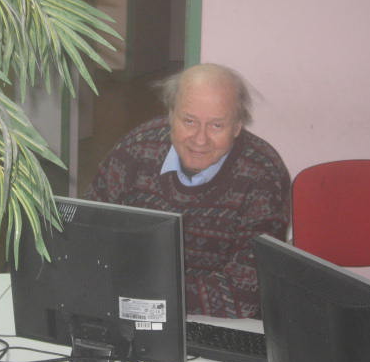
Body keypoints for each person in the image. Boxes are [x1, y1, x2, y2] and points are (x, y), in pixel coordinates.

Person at [85, 63, 290, 318]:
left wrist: (150, 293)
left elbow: (246, 292)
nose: (200, 139)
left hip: (221, 319)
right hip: (131, 303)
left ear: (238, 126)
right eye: (189, 121)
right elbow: (89, 233)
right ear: (171, 116)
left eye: (216, 125)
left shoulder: (263, 175)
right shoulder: (136, 150)